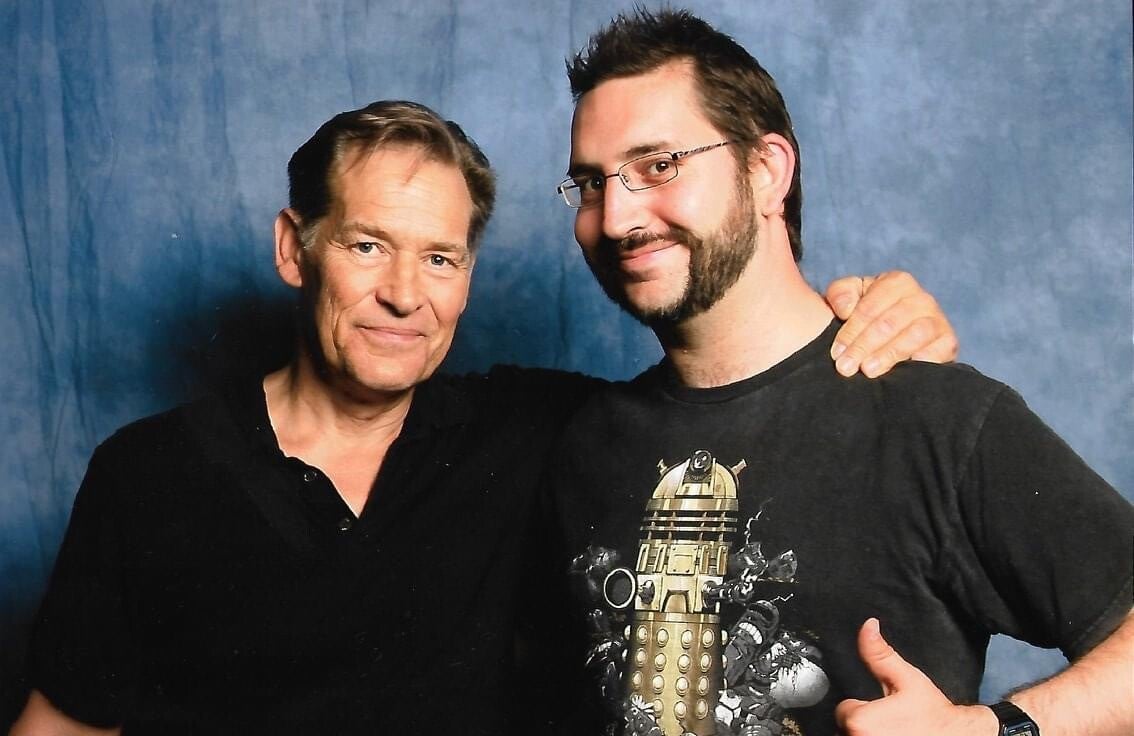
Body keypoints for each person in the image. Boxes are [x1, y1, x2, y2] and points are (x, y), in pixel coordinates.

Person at [10, 99, 955, 735]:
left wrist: (872, 313)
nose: (402, 294)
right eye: (367, 245)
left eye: (440, 258)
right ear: (295, 250)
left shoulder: (537, 432)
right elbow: (64, 726)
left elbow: (728, 388)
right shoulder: (151, 474)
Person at [544, 9, 1133, 736]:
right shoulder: (575, 443)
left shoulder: (939, 419)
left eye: (658, 166)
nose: (616, 218)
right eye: (591, 183)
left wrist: (991, 729)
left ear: (767, 172)